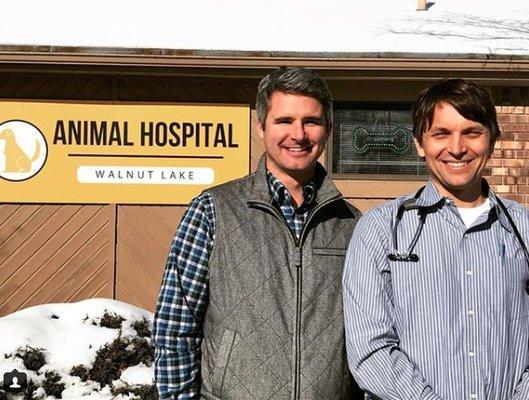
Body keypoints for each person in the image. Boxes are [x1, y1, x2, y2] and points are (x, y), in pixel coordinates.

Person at [154, 67, 362, 400]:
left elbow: (366, 336)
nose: (298, 135)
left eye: (311, 121)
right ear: (261, 126)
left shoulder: (351, 224)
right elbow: (176, 326)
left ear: (329, 130)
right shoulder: (213, 211)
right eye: (284, 121)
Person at [343, 78, 529, 400]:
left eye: (472, 132)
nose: (457, 148)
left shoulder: (523, 229)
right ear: (419, 142)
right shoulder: (381, 230)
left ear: (493, 139)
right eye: (441, 134)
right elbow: (370, 350)